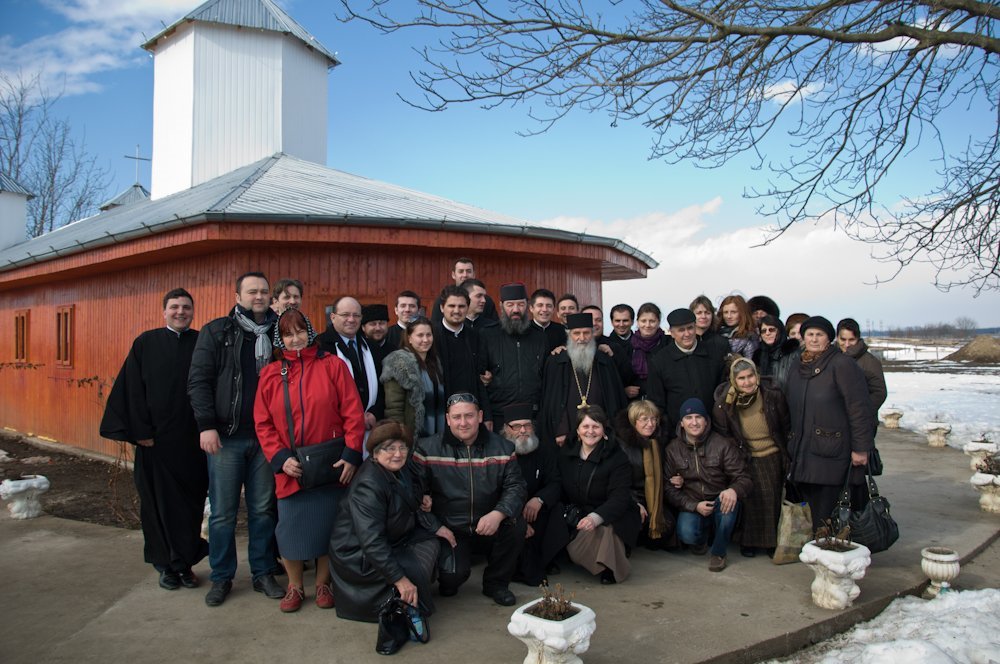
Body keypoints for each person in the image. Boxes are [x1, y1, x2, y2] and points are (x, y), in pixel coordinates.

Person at [255, 309, 365, 612]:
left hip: (330, 463)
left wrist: (351, 454)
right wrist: (280, 458)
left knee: (328, 528)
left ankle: (322, 584)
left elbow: (353, 412)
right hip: (291, 467)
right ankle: (295, 585)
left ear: (310, 332)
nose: (295, 339)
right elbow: (262, 422)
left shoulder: (333, 366)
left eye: (300, 331)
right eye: (288, 334)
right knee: (289, 529)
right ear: (280, 339)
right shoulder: (270, 374)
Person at [100, 288, 208, 591]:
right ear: (164, 311)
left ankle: (185, 565)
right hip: (155, 444)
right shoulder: (145, 343)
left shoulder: (202, 342)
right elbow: (132, 389)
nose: (180, 312)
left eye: (186, 307)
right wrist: (141, 432)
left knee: (189, 507)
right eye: (175, 307)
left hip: (192, 444)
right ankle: (165, 566)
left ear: (192, 312)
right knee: (157, 507)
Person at [187, 271, 283, 606]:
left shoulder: (280, 332)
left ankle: (263, 572)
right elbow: (199, 381)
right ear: (238, 296)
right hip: (227, 437)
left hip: (267, 438)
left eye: (264, 291)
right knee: (223, 513)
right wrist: (206, 425)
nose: (259, 296)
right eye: (252, 291)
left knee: (262, 510)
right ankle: (222, 576)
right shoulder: (218, 331)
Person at [413, 393, 527, 606]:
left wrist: (498, 514)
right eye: (457, 417)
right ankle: (450, 575)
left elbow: (516, 487)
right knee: (451, 580)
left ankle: (496, 584)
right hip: (451, 529)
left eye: (469, 416)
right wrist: (436, 526)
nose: (463, 422)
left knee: (516, 524)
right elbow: (414, 496)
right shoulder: (427, 449)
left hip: (489, 524)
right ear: (448, 419)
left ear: (480, 416)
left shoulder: (503, 448)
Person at [329, 421, 439, 639]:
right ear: (375, 452)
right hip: (358, 556)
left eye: (402, 447)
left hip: (392, 539)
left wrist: (423, 499)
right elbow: (371, 541)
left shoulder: (399, 468)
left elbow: (412, 490)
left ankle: (410, 597)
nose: (398, 454)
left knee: (433, 541)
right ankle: (406, 605)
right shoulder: (368, 484)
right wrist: (400, 579)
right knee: (416, 564)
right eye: (389, 448)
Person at [785, 316, 875, 533]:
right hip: (803, 450)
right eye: (810, 334)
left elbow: (859, 409)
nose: (814, 339)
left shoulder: (842, 365)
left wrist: (861, 448)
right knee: (810, 509)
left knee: (830, 510)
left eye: (820, 335)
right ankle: (818, 543)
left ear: (829, 339)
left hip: (832, 452)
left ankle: (833, 544)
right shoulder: (797, 365)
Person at [552, 406, 639, 584]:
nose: (590, 431)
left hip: (612, 513)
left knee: (607, 530)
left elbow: (620, 496)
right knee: (574, 546)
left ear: (604, 430)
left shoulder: (617, 457)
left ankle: (610, 567)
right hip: (577, 513)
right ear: (577, 431)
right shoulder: (566, 454)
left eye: (596, 426)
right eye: (585, 426)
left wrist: (596, 517)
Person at [712, 358, 790, 558]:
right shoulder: (725, 403)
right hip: (745, 455)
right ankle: (748, 542)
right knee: (750, 500)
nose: (747, 382)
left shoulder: (771, 395)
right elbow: (724, 433)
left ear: (757, 375)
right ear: (734, 380)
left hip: (771, 452)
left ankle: (771, 542)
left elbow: (784, 424)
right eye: (741, 378)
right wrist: (736, 454)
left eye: (750, 376)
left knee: (771, 498)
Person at [664, 398, 752, 572]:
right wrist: (694, 505)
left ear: (706, 421)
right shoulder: (672, 449)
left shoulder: (722, 444)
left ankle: (718, 553)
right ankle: (703, 537)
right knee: (686, 533)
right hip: (693, 502)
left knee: (728, 508)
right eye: (689, 418)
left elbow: (744, 477)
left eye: (699, 417)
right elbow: (667, 488)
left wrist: (733, 490)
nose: (694, 422)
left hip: (720, 499)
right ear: (681, 423)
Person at [539, 312, 627, 445]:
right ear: (569, 335)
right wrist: (561, 429)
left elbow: (613, 399)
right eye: (576, 333)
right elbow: (551, 401)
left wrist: (608, 428)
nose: (582, 338)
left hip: (600, 433)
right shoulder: (556, 361)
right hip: (566, 435)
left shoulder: (604, 360)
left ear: (592, 334)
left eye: (586, 333)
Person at [503, 404, 561, 586]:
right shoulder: (499, 452)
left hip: (537, 511)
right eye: (516, 426)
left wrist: (540, 499)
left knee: (557, 510)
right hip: (510, 513)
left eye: (527, 425)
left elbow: (555, 482)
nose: (523, 430)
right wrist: (518, 519)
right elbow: (494, 492)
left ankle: (547, 560)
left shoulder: (544, 450)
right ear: (506, 429)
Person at [646, 308, 727, 435]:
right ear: (672, 333)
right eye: (681, 330)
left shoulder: (714, 354)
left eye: (690, 328)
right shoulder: (659, 361)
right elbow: (657, 402)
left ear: (696, 327)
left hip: (713, 428)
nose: (687, 334)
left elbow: (722, 392)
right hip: (677, 432)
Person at [478, 282, 548, 428]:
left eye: (520, 304)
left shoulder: (540, 336)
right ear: (501, 306)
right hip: (499, 414)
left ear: (527, 305)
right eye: (510, 305)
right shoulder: (488, 335)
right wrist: (487, 415)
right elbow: (480, 379)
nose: (516, 310)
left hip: (533, 415)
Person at [318, 296, 384, 431]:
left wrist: (375, 413)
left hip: (371, 427)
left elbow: (383, 386)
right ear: (332, 317)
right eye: (345, 315)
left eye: (356, 315)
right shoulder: (320, 347)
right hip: (337, 428)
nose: (351, 319)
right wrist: (354, 417)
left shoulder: (372, 347)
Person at [615, 400, 674, 549]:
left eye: (654, 419)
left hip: (653, 497)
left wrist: (674, 478)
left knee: (667, 529)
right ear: (633, 421)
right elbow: (618, 483)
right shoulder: (622, 446)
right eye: (644, 419)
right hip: (631, 497)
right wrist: (635, 503)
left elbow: (664, 472)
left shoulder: (658, 442)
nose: (650, 424)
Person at [381, 317, 446, 436]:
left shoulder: (434, 362)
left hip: (437, 433)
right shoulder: (399, 363)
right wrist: (400, 436)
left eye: (429, 335)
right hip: (412, 434)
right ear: (409, 338)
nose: (425, 339)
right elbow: (394, 408)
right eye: (420, 335)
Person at [434, 285, 490, 415]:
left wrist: (486, 414)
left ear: (467, 308)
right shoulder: (431, 335)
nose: (456, 310)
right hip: (439, 409)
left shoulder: (475, 336)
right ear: (442, 308)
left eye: (461, 306)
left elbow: (479, 378)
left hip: (470, 408)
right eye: (451, 306)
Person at [836, 318, 887, 421]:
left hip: (861, 422)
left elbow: (879, 393)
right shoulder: (831, 357)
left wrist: (860, 413)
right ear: (837, 338)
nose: (847, 344)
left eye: (851, 340)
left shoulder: (870, 362)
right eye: (843, 339)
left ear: (858, 338)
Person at [431, 257, 498, 324]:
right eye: (461, 271)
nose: (465, 275)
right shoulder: (444, 299)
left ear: (474, 274)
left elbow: (494, 325)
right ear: (453, 275)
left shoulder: (486, 301)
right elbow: (435, 325)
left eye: (468, 271)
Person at [628, 302, 670, 400]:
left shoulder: (668, 343)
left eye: (652, 321)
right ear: (637, 322)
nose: (647, 325)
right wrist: (625, 388)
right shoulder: (629, 345)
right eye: (643, 321)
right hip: (636, 400)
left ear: (658, 322)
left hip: (663, 397)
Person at [754, 314, 800, 391]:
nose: (767, 333)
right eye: (763, 331)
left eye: (771, 330)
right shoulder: (757, 356)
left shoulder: (793, 352)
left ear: (780, 331)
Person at [718, 295, 759, 359]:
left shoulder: (750, 337)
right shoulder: (716, 334)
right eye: (726, 312)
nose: (729, 316)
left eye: (733, 312)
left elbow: (749, 361)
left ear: (742, 313)